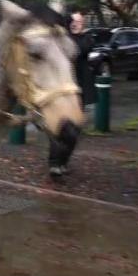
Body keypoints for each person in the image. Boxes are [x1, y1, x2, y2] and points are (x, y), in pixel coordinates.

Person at [48, 10, 93, 177]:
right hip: (61, 92)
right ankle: (54, 163)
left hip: (78, 92)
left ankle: (63, 162)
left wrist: (77, 33)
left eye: (78, 22)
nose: (75, 24)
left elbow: (79, 50)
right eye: (72, 21)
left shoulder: (86, 39)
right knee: (59, 128)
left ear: (83, 24)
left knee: (74, 132)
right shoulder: (61, 39)